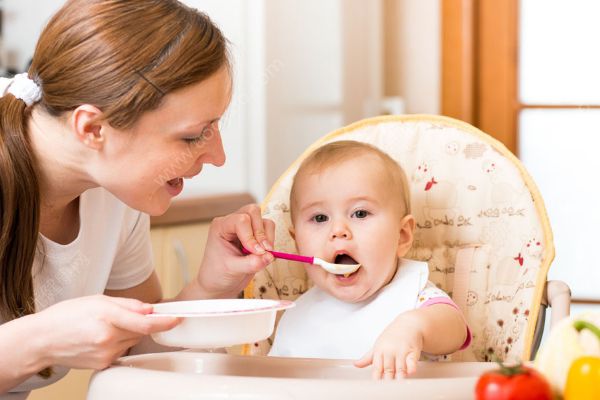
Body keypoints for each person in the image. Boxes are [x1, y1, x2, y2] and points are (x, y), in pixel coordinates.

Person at [0, 0, 275, 397]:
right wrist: (40, 338)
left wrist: (212, 286)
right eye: (191, 135)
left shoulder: (114, 189)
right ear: (93, 128)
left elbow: (141, 347)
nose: (218, 157)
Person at [269, 141, 471, 379]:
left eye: (360, 213)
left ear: (402, 235)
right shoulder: (297, 314)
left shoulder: (414, 296)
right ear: (297, 243)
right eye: (320, 217)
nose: (338, 230)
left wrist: (413, 327)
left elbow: (455, 329)